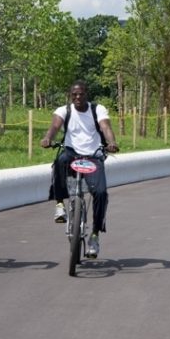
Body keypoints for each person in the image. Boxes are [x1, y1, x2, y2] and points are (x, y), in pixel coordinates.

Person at [41, 80, 119, 258]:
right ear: (70, 95)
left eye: (81, 94)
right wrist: (47, 138)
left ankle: (95, 235)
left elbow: (105, 127)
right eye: (74, 94)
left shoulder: (97, 109)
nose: (77, 97)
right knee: (60, 160)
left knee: (100, 193)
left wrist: (112, 142)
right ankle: (60, 204)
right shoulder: (64, 110)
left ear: (86, 94)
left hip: (93, 156)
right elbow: (55, 126)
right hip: (72, 153)